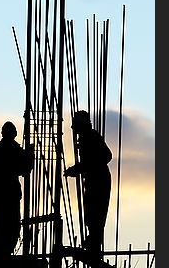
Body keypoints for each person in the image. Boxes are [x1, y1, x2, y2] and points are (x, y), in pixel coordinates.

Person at [64, 110, 112, 259]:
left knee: (95, 214)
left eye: (74, 125)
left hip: (99, 181)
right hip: (94, 180)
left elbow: (106, 156)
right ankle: (93, 244)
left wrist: (78, 169)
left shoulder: (91, 137)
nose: (72, 128)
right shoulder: (87, 137)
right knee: (92, 214)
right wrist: (79, 169)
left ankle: (94, 247)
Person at [0, 121, 34, 255]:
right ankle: (5, 251)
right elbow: (26, 169)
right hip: (8, 194)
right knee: (11, 223)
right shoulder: (15, 151)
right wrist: (29, 156)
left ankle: (2, 250)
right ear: (14, 134)